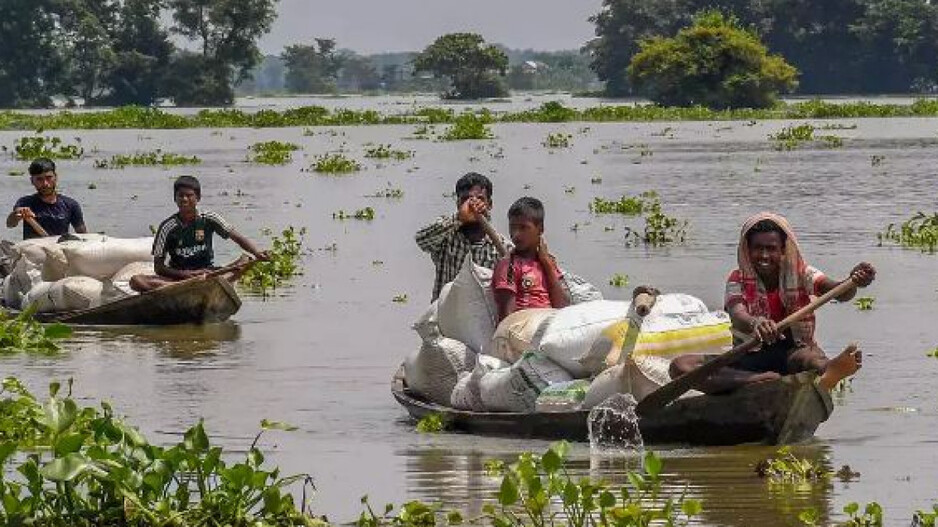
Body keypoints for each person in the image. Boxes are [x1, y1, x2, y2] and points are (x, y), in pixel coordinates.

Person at [669, 212, 875, 393]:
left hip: (793, 353)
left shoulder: (802, 273)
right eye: (758, 249)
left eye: (771, 248)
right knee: (680, 366)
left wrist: (852, 282)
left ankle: (829, 370)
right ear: (747, 251)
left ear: (783, 250)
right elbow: (736, 312)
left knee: (811, 360)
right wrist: (756, 323)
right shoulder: (737, 278)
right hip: (748, 357)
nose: (764, 256)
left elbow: (839, 293)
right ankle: (760, 381)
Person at [129, 176, 268, 292]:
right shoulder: (167, 227)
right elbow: (159, 268)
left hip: (209, 273)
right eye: (180, 195)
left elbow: (237, 237)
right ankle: (183, 288)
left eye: (189, 195)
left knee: (245, 260)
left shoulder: (209, 218)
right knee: (136, 281)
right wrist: (188, 276)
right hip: (179, 278)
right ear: (175, 198)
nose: (184, 199)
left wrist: (257, 253)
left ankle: (208, 283)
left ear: (198, 198)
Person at [415, 172, 506, 301]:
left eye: (480, 199)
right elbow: (422, 240)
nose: (473, 205)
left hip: (481, 318)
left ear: (489, 204)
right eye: (466, 200)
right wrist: (460, 217)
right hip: (445, 316)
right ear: (458, 204)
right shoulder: (446, 237)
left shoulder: (501, 246)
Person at [492, 197, 569, 323]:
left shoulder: (548, 263)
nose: (515, 234)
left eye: (523, 228)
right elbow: (507, 318)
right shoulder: (508, 266)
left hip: (551, 324)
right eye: (512, 227)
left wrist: (547, 264)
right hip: (525, 328)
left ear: (540, 228)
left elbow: (563, 307)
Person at [6, 158, 87, 239]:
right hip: (32, 249)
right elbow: (10, 224)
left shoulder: (71, 205)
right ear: (32, 181)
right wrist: (17, 214)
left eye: (48, 178)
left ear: (55, 177)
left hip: (58, 248)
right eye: (39, 179)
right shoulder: (25, 202)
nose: (45, 184)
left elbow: (83, 235)